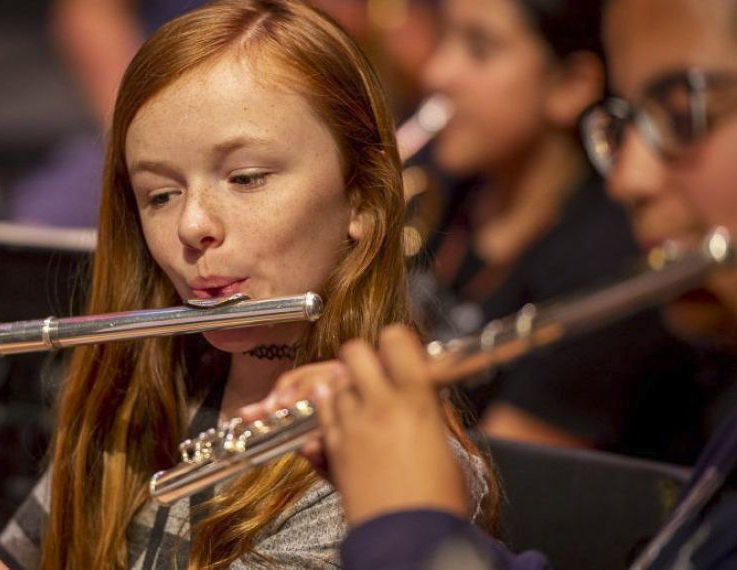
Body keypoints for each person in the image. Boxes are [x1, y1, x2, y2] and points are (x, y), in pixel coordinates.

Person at [0, 1, 493, 568]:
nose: (193, 225)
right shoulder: (139, 407)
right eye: (160, 194)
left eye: (246, 177)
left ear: (362, 201)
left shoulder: (384, 471)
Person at [245, 0, 737, 567]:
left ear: (571, 84)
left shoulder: (604, 258)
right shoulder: (449, 193)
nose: (629, 178)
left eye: (682, 114)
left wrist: (412, 522)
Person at [409, 0, 699, 459]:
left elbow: (500, 482)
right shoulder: (438, 182)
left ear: (570, 85)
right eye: (444, 38)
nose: (437, 73)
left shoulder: (608, 259)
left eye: (479, 49)